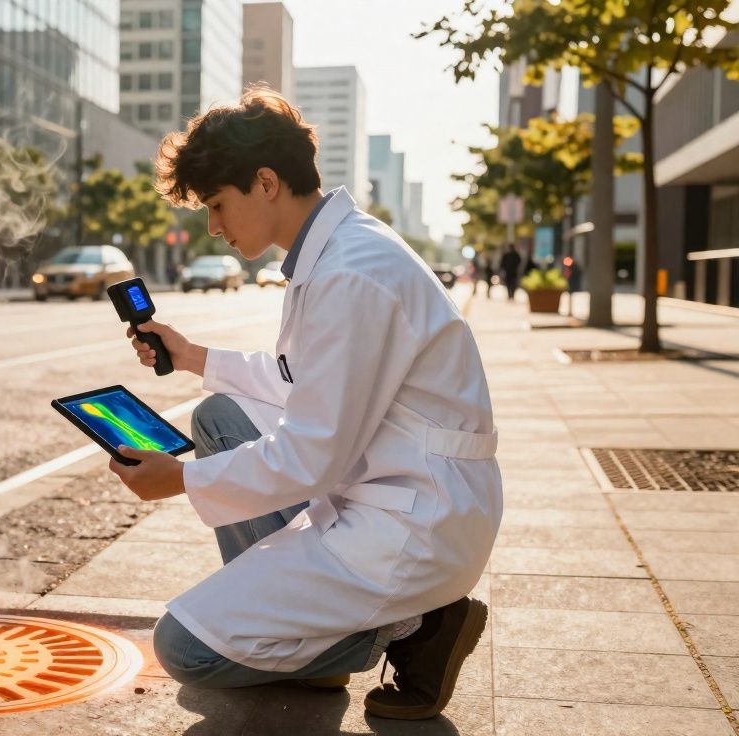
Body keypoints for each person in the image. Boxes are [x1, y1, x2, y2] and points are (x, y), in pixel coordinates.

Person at [109, 87, 501, 721]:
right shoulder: (335, 250)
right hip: (390, 482)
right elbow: (302, 381)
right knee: (220, 416)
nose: (213, 226)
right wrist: (194, 357)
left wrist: (179, 480)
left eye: (216, 205)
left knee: (184, 649)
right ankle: (309, 641)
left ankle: (418, 629)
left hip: (415, 520)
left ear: (265, 183)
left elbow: (312, 455)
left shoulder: (351, 272)